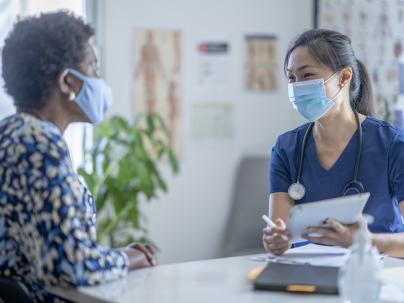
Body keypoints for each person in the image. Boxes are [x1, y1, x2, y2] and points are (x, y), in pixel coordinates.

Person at [0, 11, 156, 302]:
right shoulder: (40, 145)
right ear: (67, 83)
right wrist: (129, 257)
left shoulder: (9, 133)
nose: (99, 81)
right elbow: (73, 267)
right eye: (93, 69)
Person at [263, 29, 404, 257]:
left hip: (374, 273)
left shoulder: (392, 144)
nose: (297, 85)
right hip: (307, 275)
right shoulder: (286, 148)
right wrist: (276, 241)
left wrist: (368, 241)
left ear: (344, 77)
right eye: (291, 77)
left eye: (307, 75)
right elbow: (280, 232)